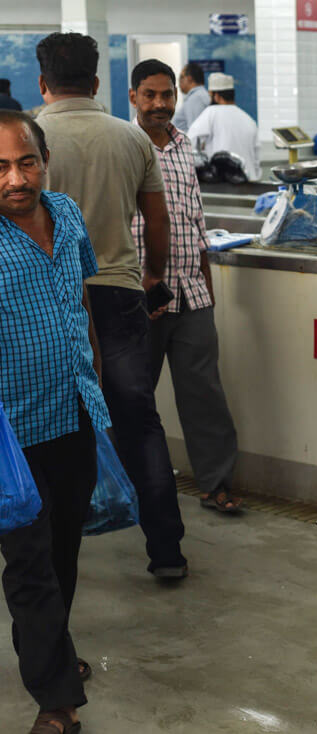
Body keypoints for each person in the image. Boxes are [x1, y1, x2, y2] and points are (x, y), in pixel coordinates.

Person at [35, 32, 189, 580]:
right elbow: (157, 221)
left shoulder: (27, 140)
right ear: (99, 82)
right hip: (121, 292)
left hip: (48, 304)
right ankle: (166, 551)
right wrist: (150, 276)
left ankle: (46, 553)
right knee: (138, 421)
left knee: (43, 425)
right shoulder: (132, 139)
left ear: (42, 82)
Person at [0, 109, 112, 734]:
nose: (15, 178)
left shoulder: (66, 214)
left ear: (44, 161)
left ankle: (53, 653)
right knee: (30, 564)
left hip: (71, 413)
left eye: (26, 162)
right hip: (8, 434)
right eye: (0, 167)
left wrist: (92, 371)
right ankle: (55, 700)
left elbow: (80, 295)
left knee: (64, 548)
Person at [129, 60, 241, 515]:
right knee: (133, 397)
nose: (160, 104)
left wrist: (208, 287)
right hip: (141, 297)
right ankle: (131, 488)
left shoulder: (183, 146)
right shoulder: (124, 146)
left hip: (191, 293)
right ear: (134, 96)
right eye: (151, 95)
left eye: (167, 95)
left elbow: (195, 222)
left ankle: (216, 483)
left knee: (204, 394)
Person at [187, 72, 261, 181]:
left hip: (224, 184)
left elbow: (189, 141)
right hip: (250, 182)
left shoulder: (211, 112)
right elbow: (256, 159)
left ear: (216, 96)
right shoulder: (249, 120)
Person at [172, 62, 210, 133]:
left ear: (189, 78)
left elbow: (197, 133)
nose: (179, 82)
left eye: (181, 77)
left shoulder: (196, 99)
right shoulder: (200, 95)